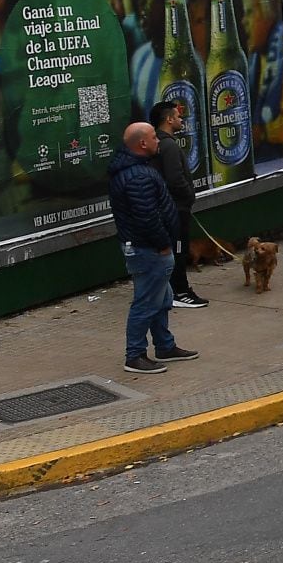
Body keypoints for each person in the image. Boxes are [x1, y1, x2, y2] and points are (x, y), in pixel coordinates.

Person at [108, 122, 197, 375]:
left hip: (148, 248)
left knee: (162, 298)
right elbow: (146, 216)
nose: (159, 140)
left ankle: (165, 345)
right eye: (154, 137)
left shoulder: (136, 169)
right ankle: (134, 355)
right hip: (148, 250)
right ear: (143, 143)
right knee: (147, 302)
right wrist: (162, 245)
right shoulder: (137, 176)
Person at [153, 99, 208, 309]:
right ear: (168, 119)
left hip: (171, 208)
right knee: (178, 250)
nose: (181, 119)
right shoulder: (168, 145)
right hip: (176, 210)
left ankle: (171, 290)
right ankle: (180, 291)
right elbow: (175, 179)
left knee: (174, 250)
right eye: (178, 116)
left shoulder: (160, 143)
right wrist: (187, 198)